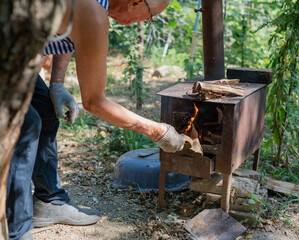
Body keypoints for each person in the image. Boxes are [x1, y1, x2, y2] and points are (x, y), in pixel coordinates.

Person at [7, 0, 186, 239]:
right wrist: (157, 131)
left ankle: (49, 202)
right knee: (27, 125)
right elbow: (95, 102)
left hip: (15, 51)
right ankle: (15, 230)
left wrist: (57, 84)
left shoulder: (92, 7)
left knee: (45, 112)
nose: (146, 21)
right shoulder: (94, 12)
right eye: (150, 15)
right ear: (135, 2)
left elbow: (67, 32)